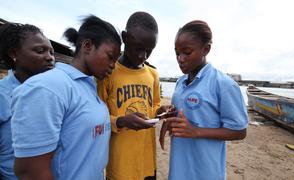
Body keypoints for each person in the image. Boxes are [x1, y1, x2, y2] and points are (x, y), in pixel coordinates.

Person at [10, 15, 121, 180]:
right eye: (110, 57)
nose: (113, 65)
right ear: (88, 46)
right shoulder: (47, 88)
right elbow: (31, 172)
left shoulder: (88, 86)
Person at [160, 20, 248, 180]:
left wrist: (195, 131)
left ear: (205, 49)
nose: (180, 58)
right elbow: (185, 116)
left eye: (187, 52)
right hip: (178, 170)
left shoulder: (223, 84)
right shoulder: (180, 83)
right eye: (177, 53)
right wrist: (169, 116)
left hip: (205, 171)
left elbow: (240, 131)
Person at [97, 11, 173, 180]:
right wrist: (122, 121)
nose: (143, 56)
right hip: (120, 165)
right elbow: (96, 119)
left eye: (149, 50)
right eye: (138, 48)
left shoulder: (152, 74)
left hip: (147, 162)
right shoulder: (108, 72)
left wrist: (161, 111)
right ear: (125, 38)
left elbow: (152, 107)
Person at [0, 22, 55, 180]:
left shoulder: (52, 92)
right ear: (14, 54)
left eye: (51, 52)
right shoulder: (3, 95)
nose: (49, 58)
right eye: (40, 51)